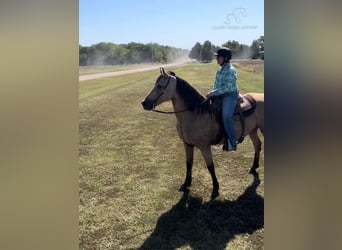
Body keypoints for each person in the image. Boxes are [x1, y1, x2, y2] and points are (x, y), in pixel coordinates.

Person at [206, 47, 239, 151]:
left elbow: (228, 87)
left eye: (218, 57)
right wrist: (212, 92)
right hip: (220, 94)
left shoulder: (230, 70)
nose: (217, 59)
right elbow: (216, 84)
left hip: (230, 95)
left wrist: (213, 93)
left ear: (225, 58)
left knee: (226, 116)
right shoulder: (220, 69)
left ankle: (232, 142)